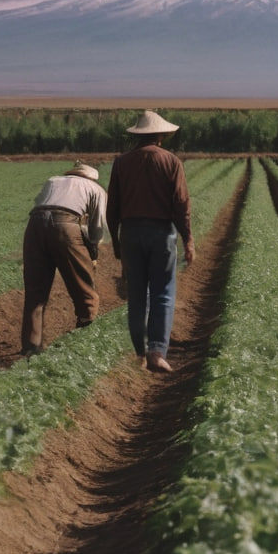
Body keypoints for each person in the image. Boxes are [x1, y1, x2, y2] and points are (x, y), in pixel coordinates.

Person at [106, 110, 195, 372]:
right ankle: (157, 352)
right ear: (160, 135)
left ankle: (140, 354)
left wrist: (116, 242)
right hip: (161, 233)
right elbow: (181, 204)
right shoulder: (171, 162)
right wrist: (188, 239)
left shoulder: (121, 162)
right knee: (163, 293)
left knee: (137, 296)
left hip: (131, 233)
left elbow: (113, 207)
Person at [21, 161, 108, 356]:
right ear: (91, 176)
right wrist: (92, 252)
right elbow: (96, 228)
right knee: (83, 286)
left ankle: (30, 347)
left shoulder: (53, 180)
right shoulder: (95, 188)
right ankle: (84, 339)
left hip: (34, 225)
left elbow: (41, 206)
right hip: (65, 225)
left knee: (35, 292)